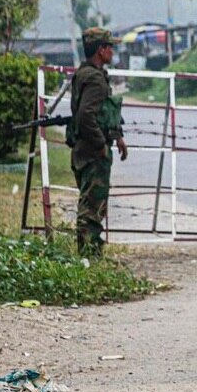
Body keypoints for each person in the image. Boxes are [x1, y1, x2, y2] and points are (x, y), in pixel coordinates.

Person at [69, 27, 127, 257]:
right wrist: (101, 144)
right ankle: (88, 254)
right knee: (92, 206)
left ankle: (90, 250)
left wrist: (117, 136)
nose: (112, 51)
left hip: (86, 149)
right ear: (100, 50)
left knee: (93, 202)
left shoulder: (89, 74)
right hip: (92, 152)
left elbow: (104, 112)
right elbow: (86, 116)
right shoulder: (94, 78)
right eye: (109, 47)